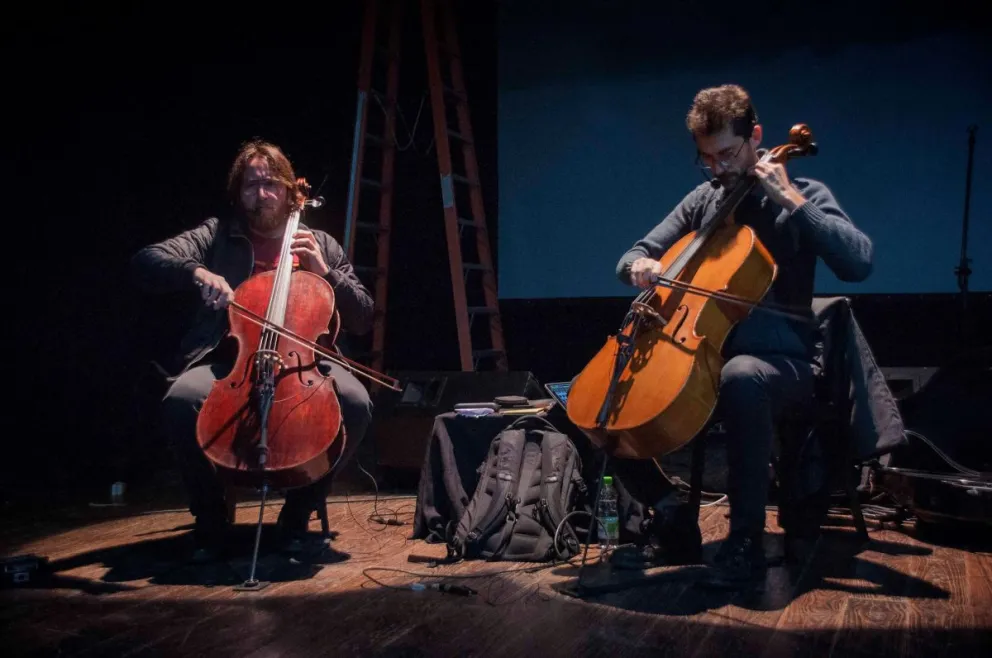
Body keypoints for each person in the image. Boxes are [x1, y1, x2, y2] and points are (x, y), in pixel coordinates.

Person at [610, 84, 874, 588]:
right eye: (706, 158)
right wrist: (640, 265)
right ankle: (669, 510)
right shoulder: (703, 200)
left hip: (784, 363)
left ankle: (745, 540)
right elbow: (631, 254)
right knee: (592, 395)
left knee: (742, 376)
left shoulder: (805, 194)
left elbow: (859, 262)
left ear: (755, 136)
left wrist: (792, 200)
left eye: (727, 154)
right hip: (699, 356)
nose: (718, 169)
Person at [130, 139, 375, 562]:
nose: (260, 195)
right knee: (181, 399)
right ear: (237, 191)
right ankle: (209, 520)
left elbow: (364, 315)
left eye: (269, 185)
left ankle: (297, 515)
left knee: (356, 403)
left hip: (304, 363)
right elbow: (146, 260)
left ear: (286, 191)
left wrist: (326, 273)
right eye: (249, 186)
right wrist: (197, 271)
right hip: (231, 360)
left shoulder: (320, 243)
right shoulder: (218, 235)